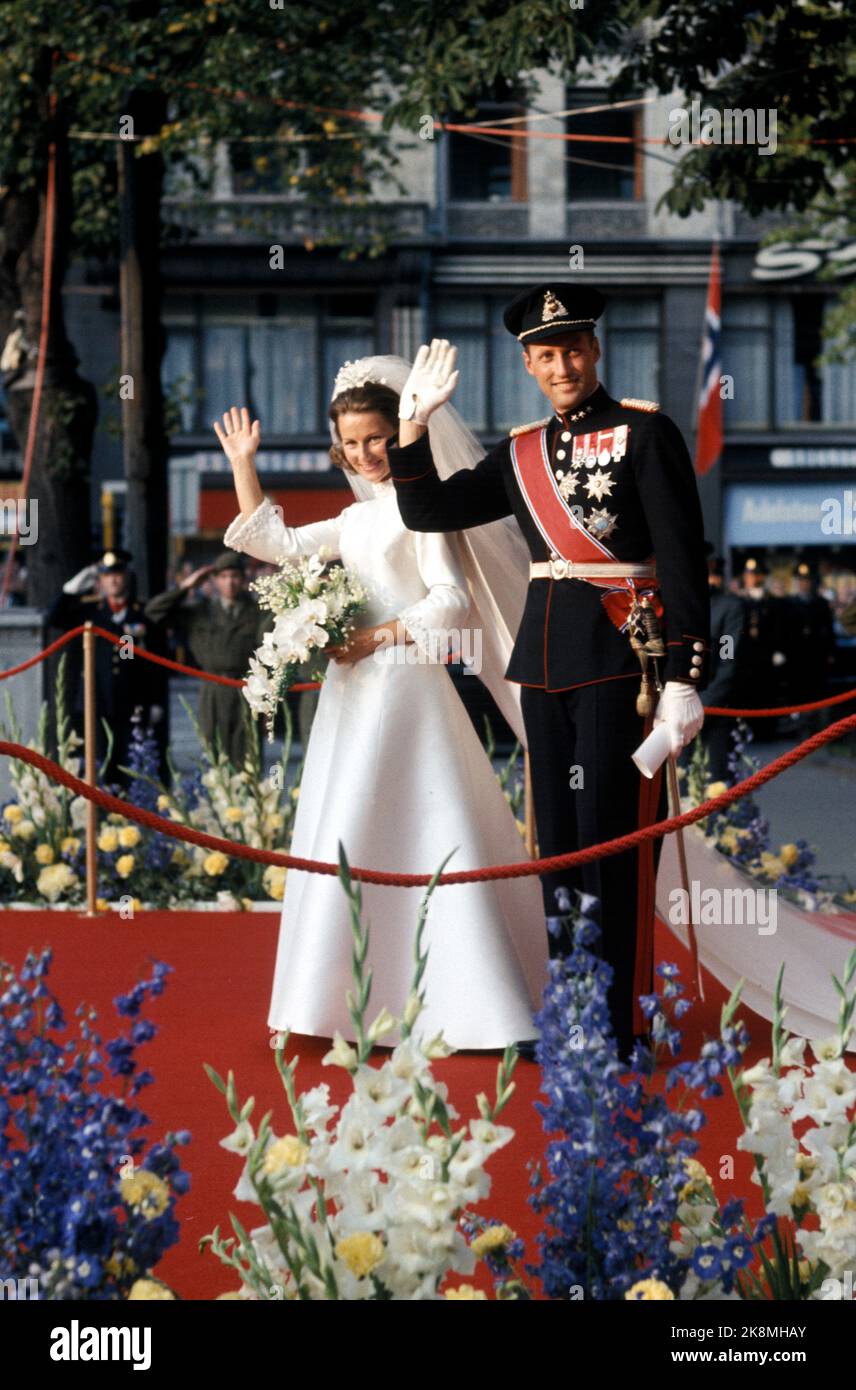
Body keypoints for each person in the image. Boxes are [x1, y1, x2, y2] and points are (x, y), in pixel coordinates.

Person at [385, 288, 711, 1061]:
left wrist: (682, 673)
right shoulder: (521, 450)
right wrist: (413, 425)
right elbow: (428, 511)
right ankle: (572, 1015)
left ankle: (620, 1024)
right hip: (543, 662)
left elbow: (682, 556)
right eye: (544, 356)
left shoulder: (645, 431)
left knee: (614, 842)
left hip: (621, 660)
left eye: (572, 350)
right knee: (559, 846)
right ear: (528, 365)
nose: (561, 366)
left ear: (594, 352)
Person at [212, 367, 549, 1052]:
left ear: (400, 434)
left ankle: (468, 1004)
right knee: (343, 831)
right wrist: (244, 466)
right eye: (351, 444)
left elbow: (450, 600)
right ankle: (328, 1004)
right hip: (352, 694)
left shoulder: (420, 509)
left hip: (406, 688)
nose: (365, 454)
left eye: (376, 439)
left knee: (416, 831)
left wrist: (375, 636)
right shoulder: (357, 518)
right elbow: (276, 546)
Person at [46, 548, 166, 787]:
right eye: (107, 575)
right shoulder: (90, 611)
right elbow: (54, 617)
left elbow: (153, 664)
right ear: (99, 579)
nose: (113, 580)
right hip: (95, 702)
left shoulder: (140, 614)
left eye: (118, 574)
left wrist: (155, 700)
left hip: (130, 703)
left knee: (128, 767)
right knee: (97, 766)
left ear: (127, 577)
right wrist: (75, 585)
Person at [145, 550, 268, 768]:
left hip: (248, 687)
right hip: (213, 687)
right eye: (223, 577)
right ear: (214, 580)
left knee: (248, 756)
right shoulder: (201, 611)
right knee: (214, 755)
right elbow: (154, 613)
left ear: (243, 579)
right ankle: (218, 801)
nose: (229, 583)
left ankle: (250, 802)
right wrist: (186, 586)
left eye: (235, 577)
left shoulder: (258, 611)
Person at [699, 548, 744, 782]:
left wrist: (704, 703)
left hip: (715, 708)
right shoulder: (677, 602)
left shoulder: (728, 607)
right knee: (680, 783)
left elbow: (728, 658)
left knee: (717, 782)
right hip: (678, 707)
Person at [784, 561, 836, 730]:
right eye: (800, 580)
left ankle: (817, 726)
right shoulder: (789, 604)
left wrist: (830, 653)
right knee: (798, 693)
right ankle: (800, 725)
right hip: (797, 657)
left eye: (806, 580)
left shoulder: (821, 604)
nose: (803, 584)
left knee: (818, 694)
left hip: (816, 657)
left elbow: (828, 631)